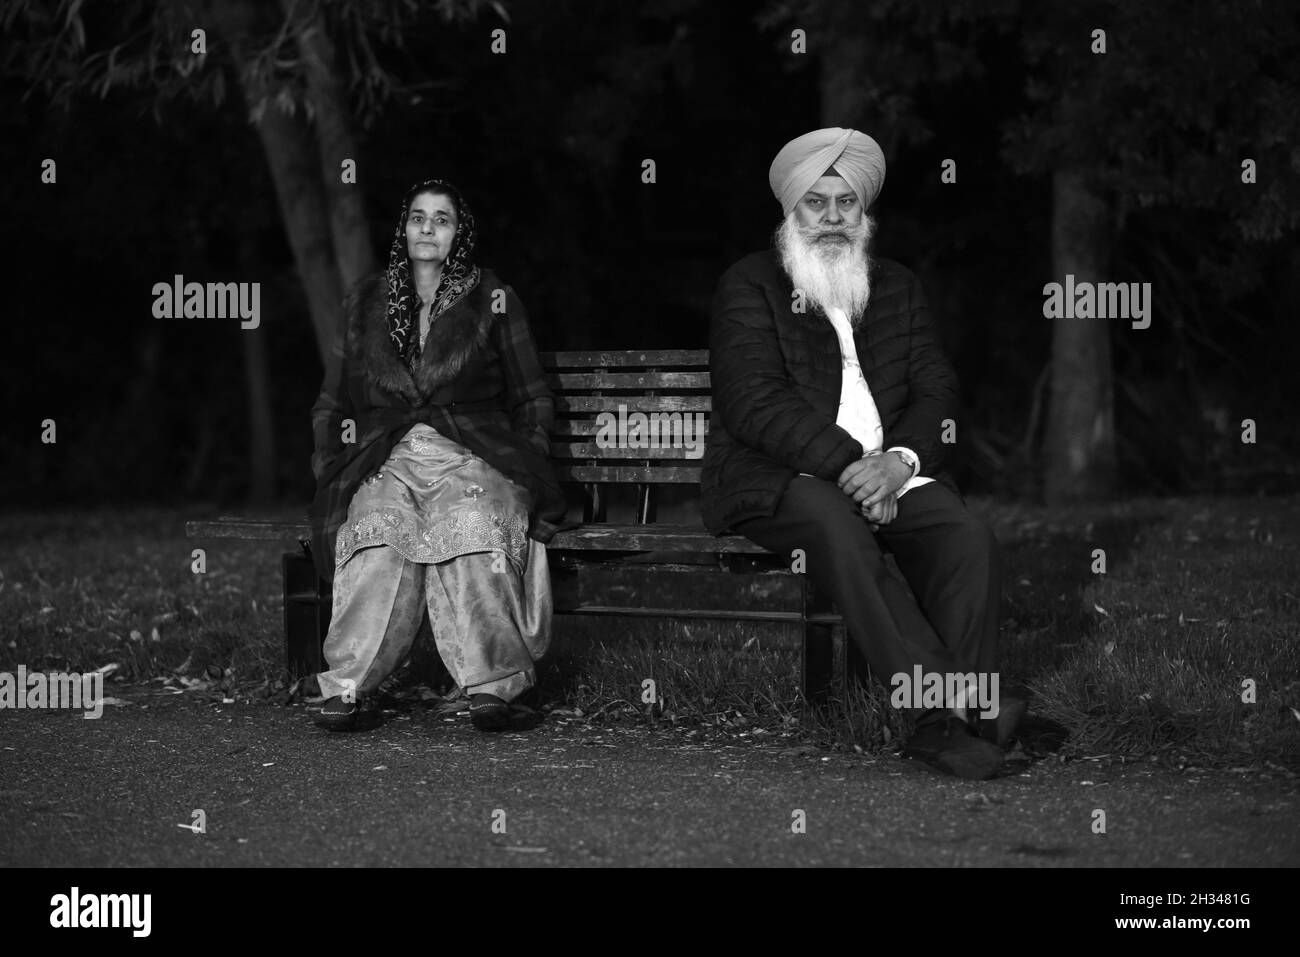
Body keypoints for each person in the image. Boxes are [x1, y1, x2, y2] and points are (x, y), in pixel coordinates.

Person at [700, 128, 1023, 779]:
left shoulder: (896, 286)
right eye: (815, 202)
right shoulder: (750, 285)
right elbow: (753, 400)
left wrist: (898, 461)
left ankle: (952, 725)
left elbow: (938, 389)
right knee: (837, 525)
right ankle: (951, 706)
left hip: (889, 472)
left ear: (863, 212)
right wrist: (851, 465)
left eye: (845, 202)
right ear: (791, 210)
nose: (830, 218)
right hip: (777, 476)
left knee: (967, 537)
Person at [307, 178, 567, 732]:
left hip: (474, 450)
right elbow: (332, 400)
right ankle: (348, 686)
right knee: (377, 533)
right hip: (388, 453)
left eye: (441, 219)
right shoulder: (365, 301)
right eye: (418, 218)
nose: (428, 229)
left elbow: (531, 395)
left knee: (472, 528)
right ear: (404, 228)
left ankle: (498, 688)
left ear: (459, 231)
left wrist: (527, 457)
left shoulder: (490, 297)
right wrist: (332, 461)